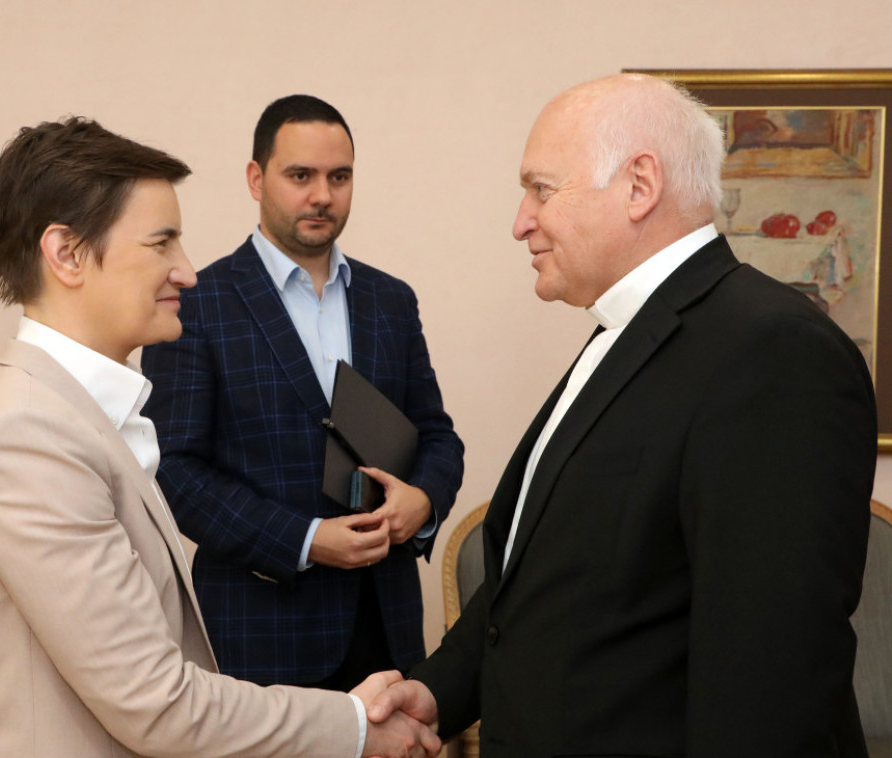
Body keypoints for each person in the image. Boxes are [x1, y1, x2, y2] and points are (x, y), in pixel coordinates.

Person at [368, 73, 877, 756]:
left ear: (639, 186)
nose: (520, 221)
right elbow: (547, 580)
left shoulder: (773, 354)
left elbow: (770, 676)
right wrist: (436, 691)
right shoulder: (631, 334)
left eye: (541, 189)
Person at [0, 116, 440, 758]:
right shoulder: (27, 438)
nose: (187, 272)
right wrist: (357, 726)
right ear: (67, 254)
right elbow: (157, 703)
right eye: (161, 243)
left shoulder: (74, 414)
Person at [141, 95, 464, 691]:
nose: (322, 195)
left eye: (339, 177)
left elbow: (437, 436)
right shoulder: (196, 305)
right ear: (255, 179)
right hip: (260, 639)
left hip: (386, 625)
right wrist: (305, 541)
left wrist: (423, 501)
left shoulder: (391, 300)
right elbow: (173, 471)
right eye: (300, 176)